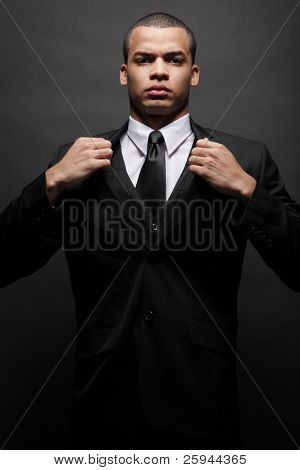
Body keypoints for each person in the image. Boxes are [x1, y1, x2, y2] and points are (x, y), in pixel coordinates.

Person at [1, 11, 300, 450]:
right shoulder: (75, 160)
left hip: (204, 403)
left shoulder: (247, 159)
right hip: (101, 404)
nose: (159, 71)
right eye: (144, 59)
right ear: (125, 73)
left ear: (193, 74)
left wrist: (248, 191)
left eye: (174, 60)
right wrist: (49, 185)